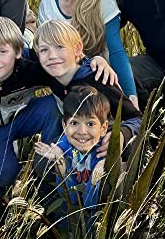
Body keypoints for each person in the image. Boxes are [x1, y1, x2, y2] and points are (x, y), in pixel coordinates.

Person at [0, 17, 117, 195]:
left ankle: (48, 165)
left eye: (2, 52)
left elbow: (64, 59)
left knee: (53, 104)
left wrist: (93, 60)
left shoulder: (32, 70)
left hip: (22, 117)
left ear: (18, 53)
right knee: (4, 176)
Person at [38, 0, 138, 108]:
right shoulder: (47, 5)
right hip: (63, 85)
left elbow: (116, 51)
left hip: (100, 82)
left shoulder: (104, 0)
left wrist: (131, 97)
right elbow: (44, 53)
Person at [33, 20, 142, 158]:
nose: (52, 56)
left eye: (60, 47)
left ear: (78, 49)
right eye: (44, 50)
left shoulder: (98, 78)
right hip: (77, 140)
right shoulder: (49, 73)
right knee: (44, 162)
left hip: (107, 145)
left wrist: (121, 135)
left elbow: (137, 118)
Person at [35, 86, 110, 218]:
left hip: (97, 210)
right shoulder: (62, 147)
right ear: (64, 126)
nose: (82, 132)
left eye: (90, 124)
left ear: (103, 128)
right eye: (74, 123)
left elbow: (90, 205)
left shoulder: (102, 150)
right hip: (70, 210)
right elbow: (70, 198)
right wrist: (61, 165)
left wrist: (95, 180)